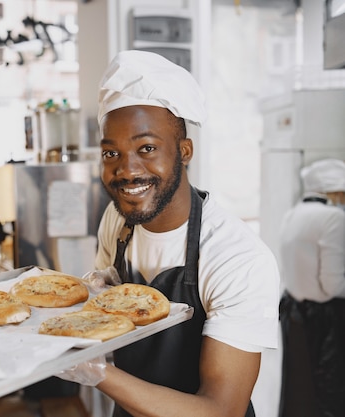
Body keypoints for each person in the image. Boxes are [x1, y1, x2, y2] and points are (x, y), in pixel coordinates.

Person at [58, 50, 280, 417]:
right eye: (111, 154)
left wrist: (97, 372)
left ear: (184, 150)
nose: (127, 170)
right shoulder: (117, 224)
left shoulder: (237, 259)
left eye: (147, 148)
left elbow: (221, 410)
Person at [278, 158, 345, 417]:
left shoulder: (293, 214)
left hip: (295, 313)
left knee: (299, 387)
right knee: (328, 392)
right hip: (325, 319)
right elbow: (332, 286)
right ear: (334, 191)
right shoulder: (334, 218)